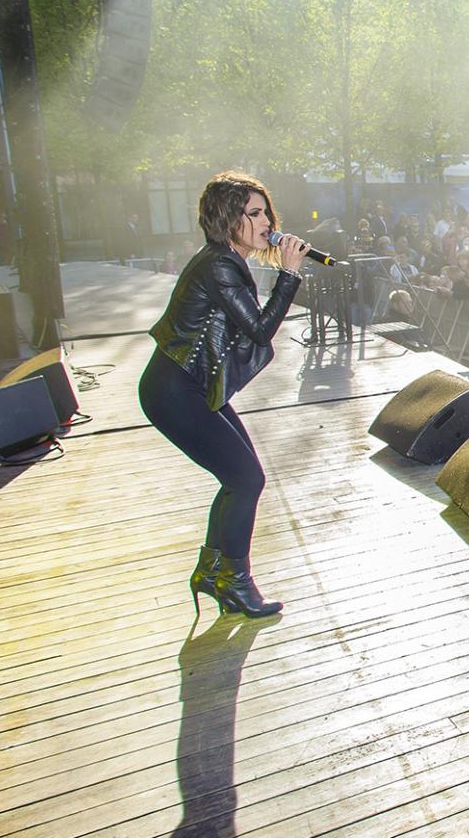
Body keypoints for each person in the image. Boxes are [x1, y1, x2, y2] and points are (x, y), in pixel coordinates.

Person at [143, 172, 308, 618]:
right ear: (227, 218)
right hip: (174, 391)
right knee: (246, 479)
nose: (265, 221)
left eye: (265, 211)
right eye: (253, 213)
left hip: (189, 388)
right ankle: (234, 582)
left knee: (241, 478)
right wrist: (288, 275)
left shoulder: (225, 260)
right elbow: (259, 330)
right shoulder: (219, 265)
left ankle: (213, 571)